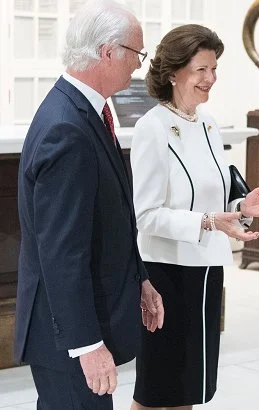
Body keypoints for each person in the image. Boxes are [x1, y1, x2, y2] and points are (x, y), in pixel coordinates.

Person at [129, 24, 259, 409]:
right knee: (156, 391)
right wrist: (207, 222)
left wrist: (239, 209)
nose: (210, 79)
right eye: (201, 69)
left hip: (205, 272)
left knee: (190, 387)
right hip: (166, 274)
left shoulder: (209, 124)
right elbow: (146, 216)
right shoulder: (152, 129)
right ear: (172, 73)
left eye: (214, 69)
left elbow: (213, 199)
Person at [15, 1, 165, 409]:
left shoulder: (86, 112)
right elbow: (62, 252)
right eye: (137, 53)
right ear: (108, 52)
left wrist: (141, 279)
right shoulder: (67, 127)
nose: (139, 64)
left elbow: (110, 217)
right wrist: (87, 345)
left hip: (82, 322)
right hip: (67, 335)